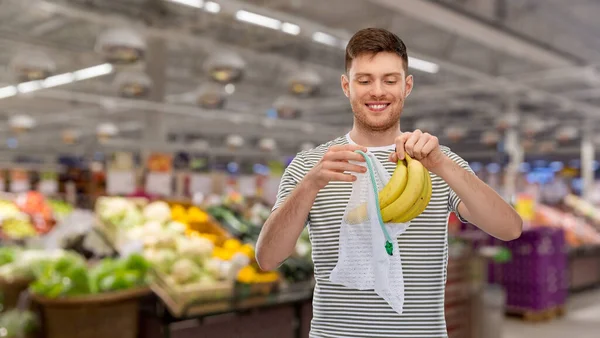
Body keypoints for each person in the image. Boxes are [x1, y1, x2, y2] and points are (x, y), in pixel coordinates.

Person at [256, 28, 523, 338]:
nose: (377, 91)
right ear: (347, 86)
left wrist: (443, 166)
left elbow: (510, 228)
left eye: (390, 80)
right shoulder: (310, 165)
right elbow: (268, 258)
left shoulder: (437, 163)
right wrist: (310, 185)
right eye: (365, 80)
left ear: (407, 86)